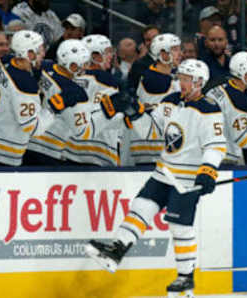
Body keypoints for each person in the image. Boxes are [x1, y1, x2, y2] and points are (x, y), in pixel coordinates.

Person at [85, 59, 226, 297]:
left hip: (187, 180)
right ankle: (117, 249)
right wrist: (134, 112)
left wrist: (208, 171)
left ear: (199, 83)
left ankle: (185, 277)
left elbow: (216, 145)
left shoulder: (209, 110)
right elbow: (150, 129)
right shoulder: (171, 101)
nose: (180, 82)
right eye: (179, 77)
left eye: (186, 79)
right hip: (164, 172)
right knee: (141, 206)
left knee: (179, 226)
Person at [0, 30, 80, 166]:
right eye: (40, 51)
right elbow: (34, 129)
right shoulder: (24, 85)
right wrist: (54, 107)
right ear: (29, 54)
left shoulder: (4, 62)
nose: (44, 54)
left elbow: (26, 68)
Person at [24, 39, 90, 166]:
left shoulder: (43, 66)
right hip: (49, 149)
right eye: (81, 64)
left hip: (27, 141)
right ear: (71, 64)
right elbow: (81, 130)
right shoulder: (76, 91)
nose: (85, 68)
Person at [63, 34, 121, 167]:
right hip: (100, 152)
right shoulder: (108, 80)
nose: (111, 56)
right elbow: (113, 117)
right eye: (106, 52)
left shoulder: (69, 78)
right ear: (94, 57)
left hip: (70, 150)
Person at [131, 33, 182, 165]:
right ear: (164, 55)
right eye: (175, 50)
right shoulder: (154, 78)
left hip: (153, 145)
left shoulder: (161, 74)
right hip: (152, 149)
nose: (180, 53)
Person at [127, 25, 160, 91]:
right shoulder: (138, 65)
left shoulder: (173, 60)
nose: (152, 42)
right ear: (144, 43)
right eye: (148, 40)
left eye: (155, 38)